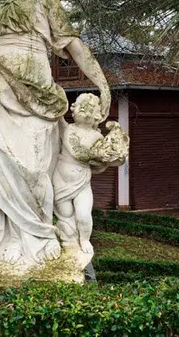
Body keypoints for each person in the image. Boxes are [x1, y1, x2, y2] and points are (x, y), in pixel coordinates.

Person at [0, 0, 110, 266]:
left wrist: (102, 82)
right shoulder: (1, 6)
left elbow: (73, 44)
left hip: (36, 86)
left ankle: (37, 235)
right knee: (0, 163)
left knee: (35, 168)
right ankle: (6, 240)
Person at [54, 93, 128, 255]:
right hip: (61, 180)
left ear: (97, 115)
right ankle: (69, 239)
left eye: (88, 106)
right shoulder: (68, 129)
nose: (83, 109)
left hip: (82, 181)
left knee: (83, 215)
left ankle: (84, 239)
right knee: (65, 214)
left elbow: (102, 163)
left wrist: (112, 156)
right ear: (73, 110)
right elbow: (78, 152)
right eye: (80, 105)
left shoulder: (97, 136)